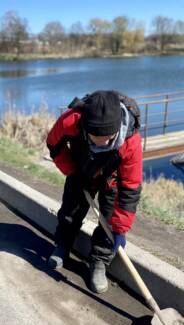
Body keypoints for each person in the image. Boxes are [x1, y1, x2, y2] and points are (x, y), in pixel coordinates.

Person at [46, 90, 142, 293]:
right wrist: (71, 171)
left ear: (117, 130)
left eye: (108, 138)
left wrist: (120, 229)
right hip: (80, 170)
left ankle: (99, 261)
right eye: (95, 137)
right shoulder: (71, 120)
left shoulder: (130, 140)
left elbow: (131, 187)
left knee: (109, 222)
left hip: (111, 179)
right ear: (84, 127)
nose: (102, 143)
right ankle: (63, 245)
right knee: (70, 212)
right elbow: (54, 145)